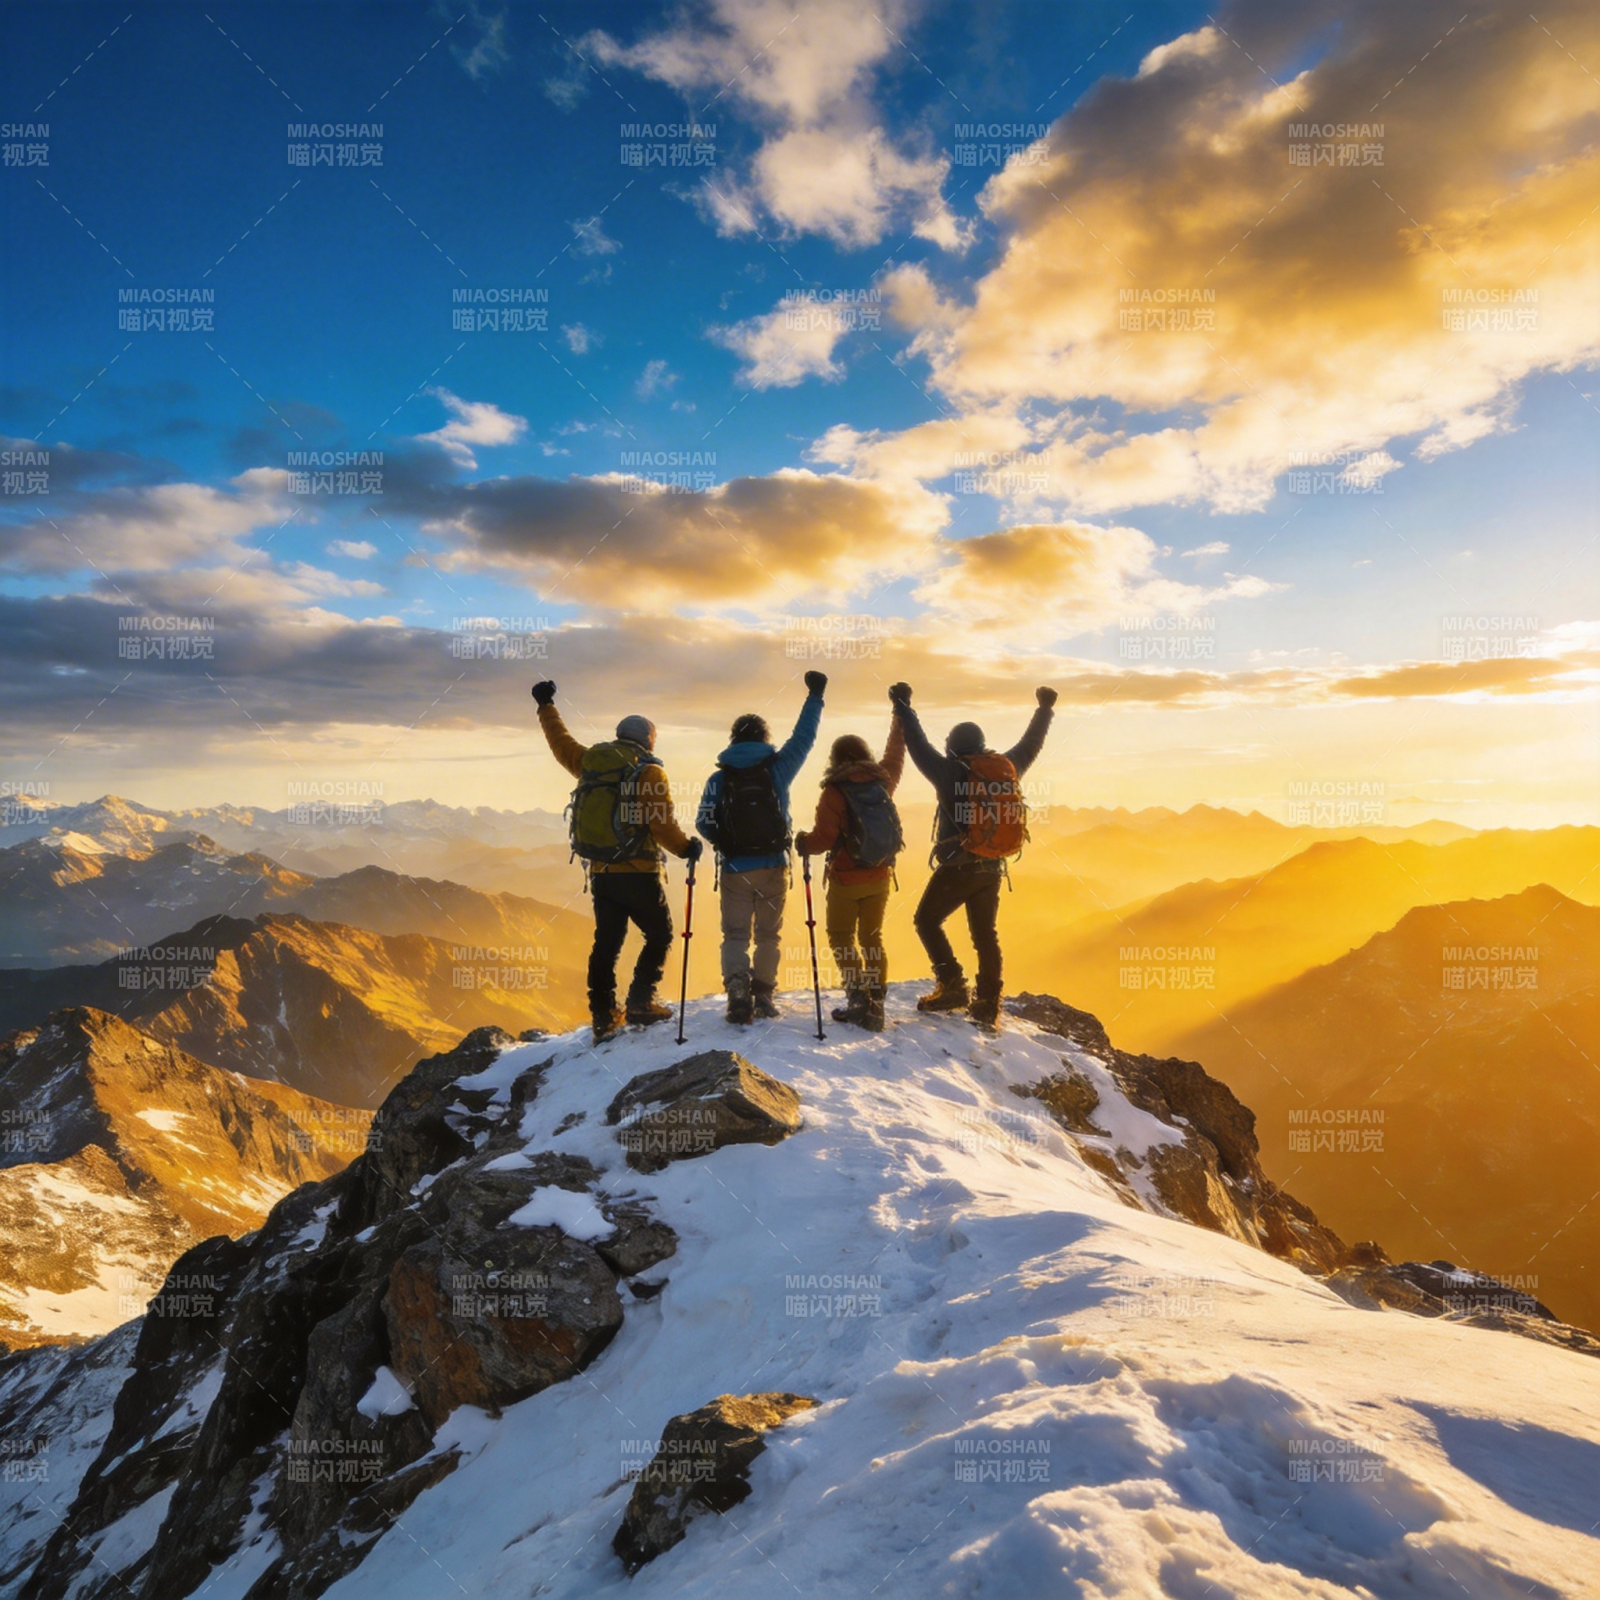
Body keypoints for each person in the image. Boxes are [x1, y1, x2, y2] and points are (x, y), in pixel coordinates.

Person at [532, 680, 702, 1044]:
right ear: (649, 740)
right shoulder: (649, 772)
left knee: (606, 943)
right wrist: (688, 849)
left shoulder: (593, 762)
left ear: (619, 735)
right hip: (639, 872)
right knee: (659, 934)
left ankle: (603, 1016)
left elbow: (560, 744)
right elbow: (662, 826)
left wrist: (546, 705)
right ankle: (641, 1001)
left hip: (601, 872)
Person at [890, 681, 1057, 1030]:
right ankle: (987, 1003)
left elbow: (918, 742)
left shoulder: (949, 772)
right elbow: (1031, 744)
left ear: (952, 748)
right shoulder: (1006, 767)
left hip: (958, 866)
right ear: (981, 745)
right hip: (992, 866)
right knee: (986, 935)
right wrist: (1044, 708)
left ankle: (952, 985)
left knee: (926, 921)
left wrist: (904, 704)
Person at [697, 672, 826, 1024]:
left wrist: (723, 840)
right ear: (764, 739)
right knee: (769, 934)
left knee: (735, 934)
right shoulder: (778, 769)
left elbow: (702, 822)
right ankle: (764, 996)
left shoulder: (719, 779)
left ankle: (738, 992)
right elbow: (805, 737)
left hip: (735, 868)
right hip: (773, 865)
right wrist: (815, 695)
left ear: (733, 740)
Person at [794, 711, 906, 1033]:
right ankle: (877, 1003)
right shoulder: (883, 780)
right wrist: (899, 715)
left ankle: (858, 1000)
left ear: (835, 759)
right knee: (872, 937)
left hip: (846, 878)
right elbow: (897, 752)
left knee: (842, 936)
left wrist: (803, 843)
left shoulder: (834, 792)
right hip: (880, 874)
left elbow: (823, 840)